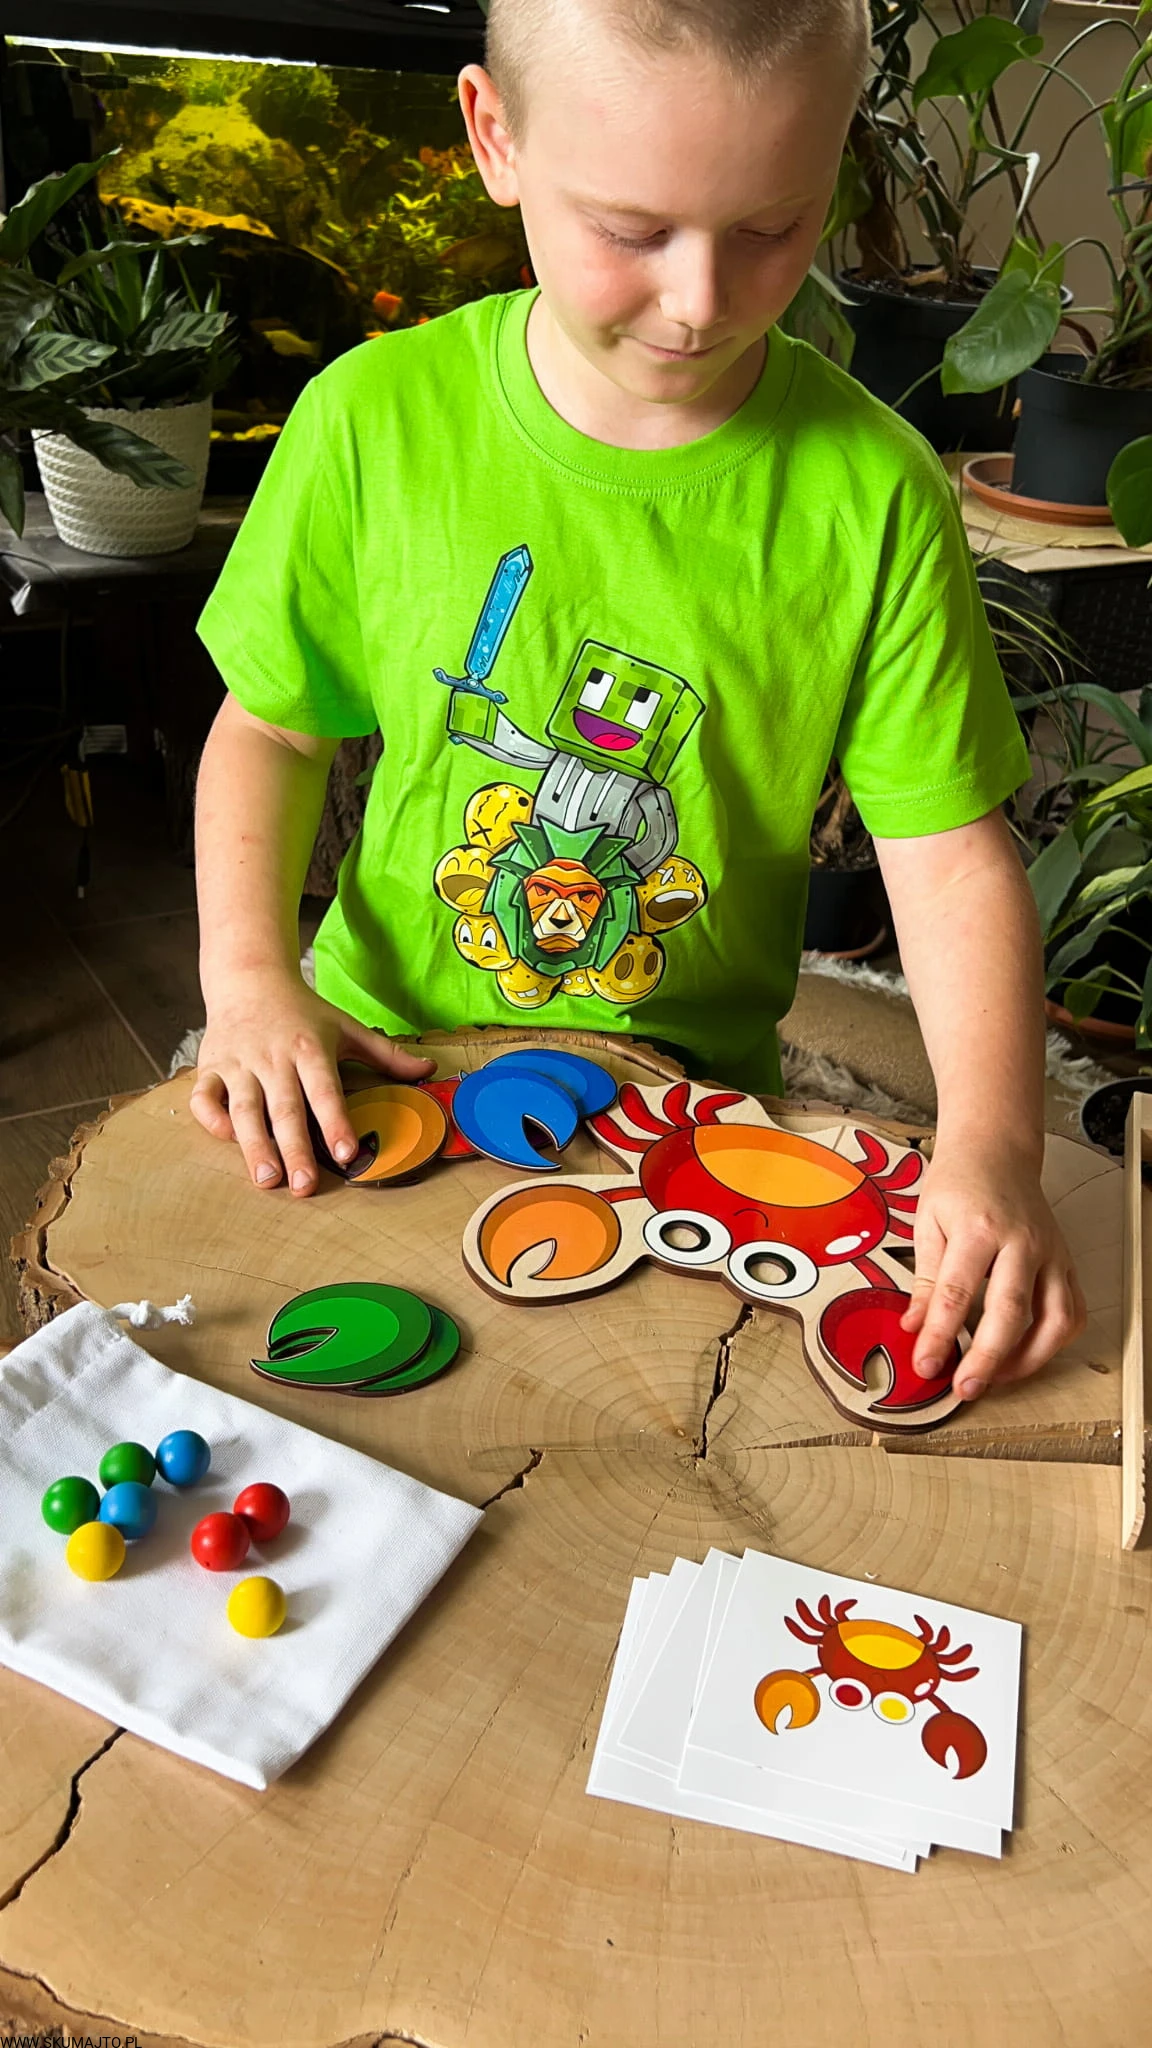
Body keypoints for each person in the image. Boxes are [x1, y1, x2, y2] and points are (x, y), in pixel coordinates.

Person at [191, 0, 1086, 1403]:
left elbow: (949, 855)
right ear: (495, 136)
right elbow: (269, 727)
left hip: (683, 1096)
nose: (701, 299)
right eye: (631, 231)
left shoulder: (876, 492)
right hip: (383, 1058)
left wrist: (994, 1147)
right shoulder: (368, 421)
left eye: (772, 228)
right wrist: (249, 982)